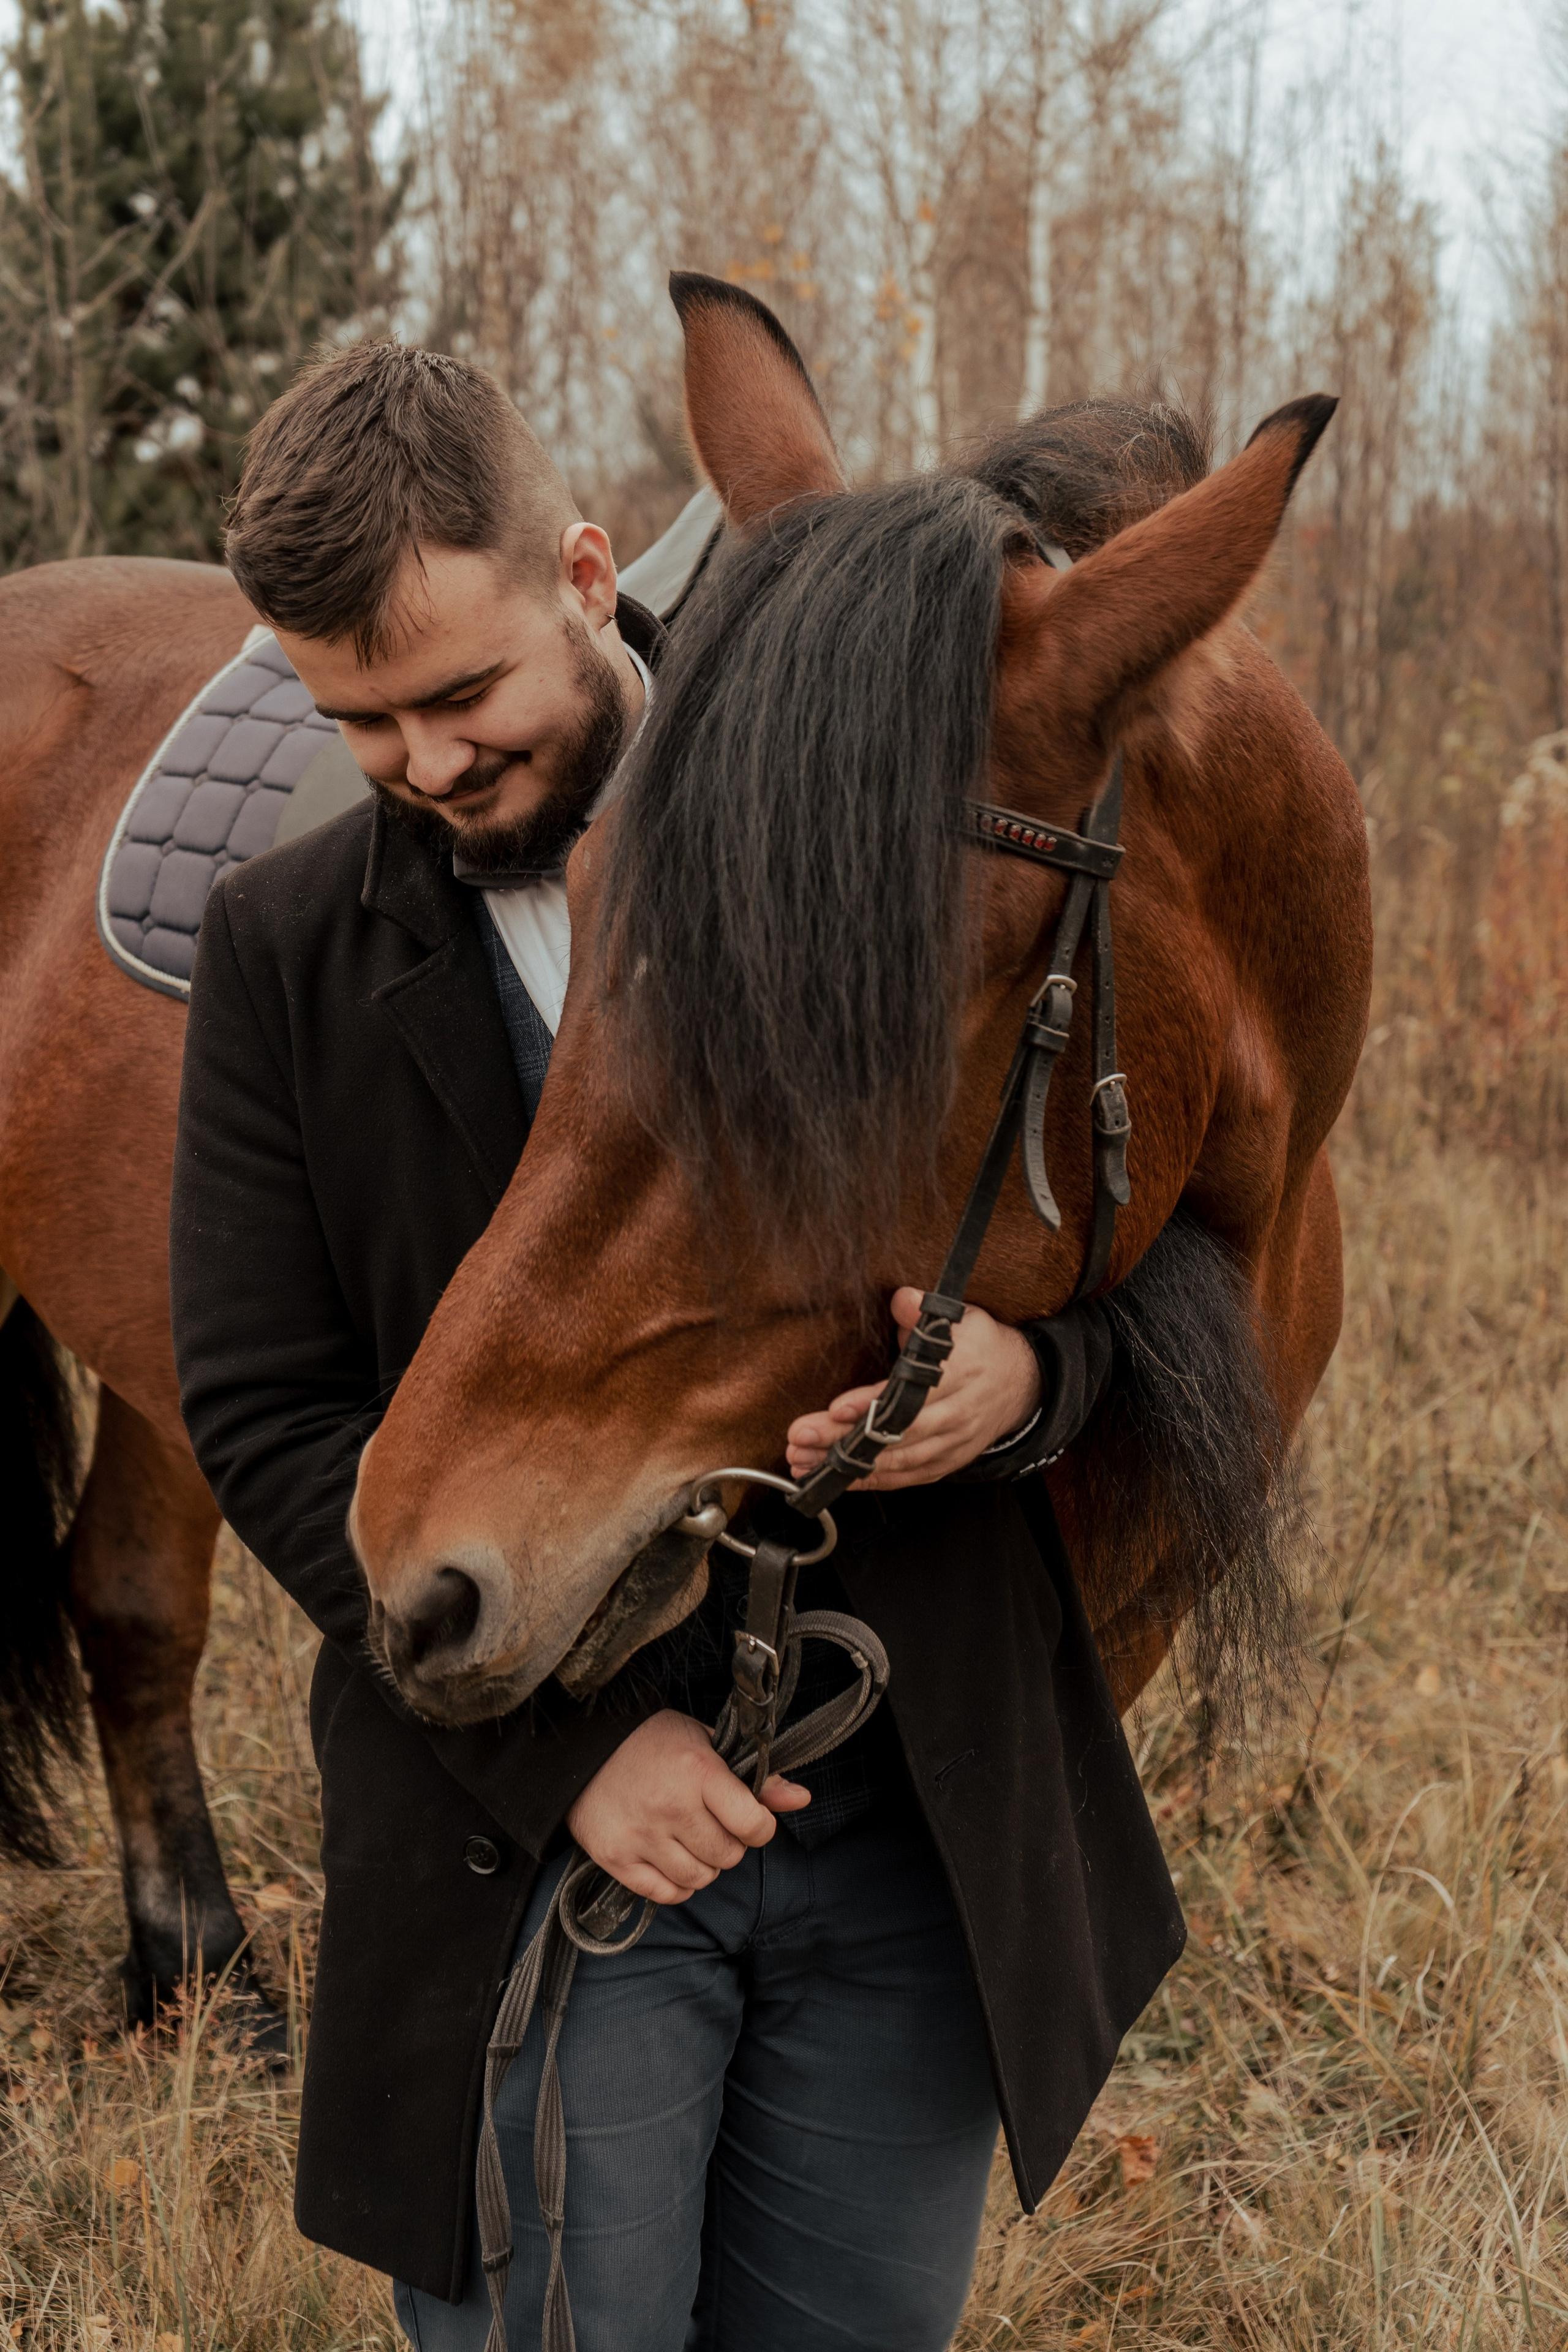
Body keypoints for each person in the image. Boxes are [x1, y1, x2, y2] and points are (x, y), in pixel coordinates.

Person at [169, 341, 1182, 2352]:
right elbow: (265, 1405)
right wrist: (574, 1760)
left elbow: (1166, 1238)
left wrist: (1032, 1383)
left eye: (460, 697)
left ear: (583, 568)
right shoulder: (289, 949)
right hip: (529, 1848)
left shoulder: (894, 824)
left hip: (906, 1818)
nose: (427, 766)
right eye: (358, 723)